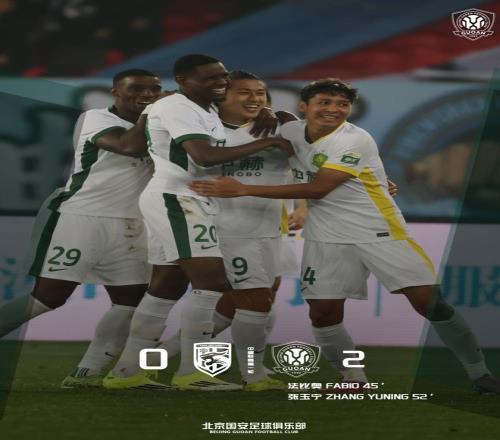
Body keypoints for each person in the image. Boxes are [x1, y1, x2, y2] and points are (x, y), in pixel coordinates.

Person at [190, 78, 500, 394]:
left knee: (429, 303)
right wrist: (269, 113)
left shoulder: (355, 139)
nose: (334, 109)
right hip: (325, 237)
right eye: (324, 102)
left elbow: (318, 188)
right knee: (323, 312)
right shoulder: (289, 130)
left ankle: (479, 374)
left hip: (378, 230)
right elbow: (246, 122)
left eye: (342, 104)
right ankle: (353, 378)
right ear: (304, 106)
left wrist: (243, 189)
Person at [102, 54, 293, 391]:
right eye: (210, 78)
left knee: (165, 287)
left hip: (186, 200)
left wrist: (267, 112)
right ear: (183, 80)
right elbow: (203, 156)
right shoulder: (178, 106)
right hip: (178, 199)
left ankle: (128, 372)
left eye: (222, 77)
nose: (220, 82)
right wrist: (269, 140)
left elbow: (240, 113)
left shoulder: (203, 108)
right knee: (212, 283)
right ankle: (192, 373)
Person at [0, 69, 164, 388]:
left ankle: (87, 373)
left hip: (131, 224)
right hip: (80, 216)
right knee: (48, 298)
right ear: (116, 92)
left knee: (132, 300)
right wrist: (156, 111)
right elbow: (129, 145)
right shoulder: (96, 118)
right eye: (137, 88)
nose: (147, 94)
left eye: (154, 89)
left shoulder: (159, 125)